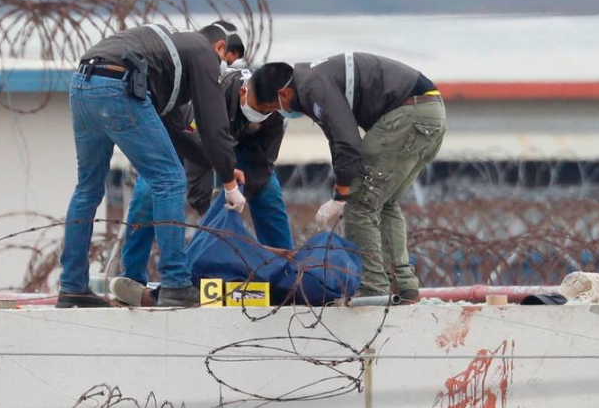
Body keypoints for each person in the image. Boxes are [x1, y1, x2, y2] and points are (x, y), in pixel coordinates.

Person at [57, 23, 247, 308]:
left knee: (87, 189)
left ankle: (72, 287)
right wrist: (230, 187)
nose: (219, 70)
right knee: (169, 181)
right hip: (118, 85)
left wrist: (221, 167)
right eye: (224, 61)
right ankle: (175, 282)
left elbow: (176, 133)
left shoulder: (167, 59)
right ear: (219, 47)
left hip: (83, 85)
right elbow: (212, 123)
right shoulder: (203, 52)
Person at [246, 54, 446, 301]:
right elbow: (337, 141)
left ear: (283, 95)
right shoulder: (311, 81)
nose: (278, 114)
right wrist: (341, 189)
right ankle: (404, 285)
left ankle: (373, 287)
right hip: (428, 113)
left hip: (408, 115)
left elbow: (348, 143)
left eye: (272, 108)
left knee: (359, 204)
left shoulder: (312, 87)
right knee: (384, 202)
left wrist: (341, 195)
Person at [111, 68, 294, 306]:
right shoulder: (213, 96)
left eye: (268, 111)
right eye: (259, 108)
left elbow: (262, 165)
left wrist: (238, 196)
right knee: (150, 189)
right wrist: (215, 217)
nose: (262, 114)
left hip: (233, 147)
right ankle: (133, 279)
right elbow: (196, 163)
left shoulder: (274, 114)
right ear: (242, 92)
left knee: (268, 191)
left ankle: (286, 277)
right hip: (184, 138)